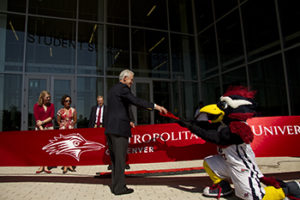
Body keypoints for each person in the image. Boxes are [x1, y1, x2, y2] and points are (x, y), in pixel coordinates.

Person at [105, 69, 167, 195]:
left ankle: (116, 186)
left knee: (115, 161)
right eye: (131, 79)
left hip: (110, 129)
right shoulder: (123, 88)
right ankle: (120, 188)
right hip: (119, 130)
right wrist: (156, 107)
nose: (132, 82)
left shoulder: (112, 89)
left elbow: (120, 108)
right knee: (120, 160)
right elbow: (136, 101)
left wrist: (129, 119)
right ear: (125, 78)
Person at [33, 90, 54, 174]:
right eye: (47, 97)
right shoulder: (36, 106)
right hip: (39, 129)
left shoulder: (51, 105)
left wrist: (43, 122)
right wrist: (41, 127)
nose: (49, 99)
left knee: (48, 148)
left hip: (49, 128)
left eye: (49, 97)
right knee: (41, 147)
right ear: (42, 97)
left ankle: (46, 166)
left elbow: (51, 117)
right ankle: (41, 165)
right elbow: (36, 118)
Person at [57, 95, 77, 174]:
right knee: (64, 148)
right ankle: (65, 165)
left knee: (70, 148)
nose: (68, 102)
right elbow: (58, 121)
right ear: (63, 102)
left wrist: (72, 124)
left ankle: (70, 165)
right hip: (63, 130)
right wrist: (62, 125)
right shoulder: (60, 111)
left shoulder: (73, 110)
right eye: (66, 101)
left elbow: (75, 120)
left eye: (69, 101)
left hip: (71, 130)